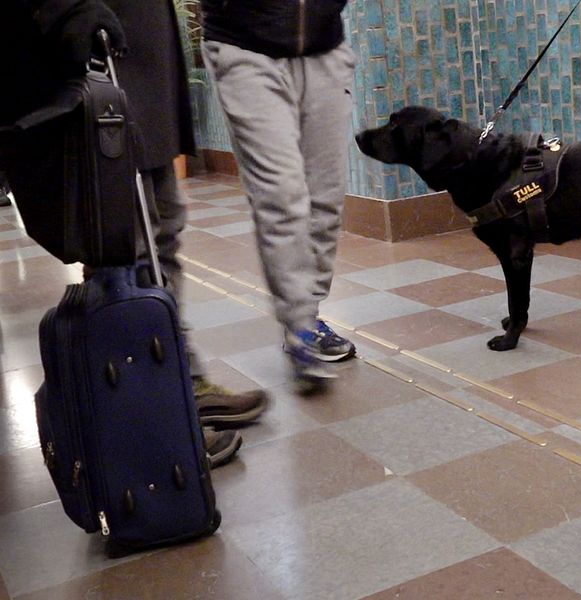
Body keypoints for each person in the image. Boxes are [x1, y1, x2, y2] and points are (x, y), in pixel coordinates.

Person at [0, 0, 269, 467]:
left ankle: (179, 380)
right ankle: (151, 421)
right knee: (125, 247)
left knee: (161, 231)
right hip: (89, 56)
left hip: (137, 59)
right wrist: (66, 10)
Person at [199, 0, 357, 391]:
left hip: (324, 50)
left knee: (326, 197)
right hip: (246, 51)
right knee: (282, 195)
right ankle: (299, 326)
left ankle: (310, 314)